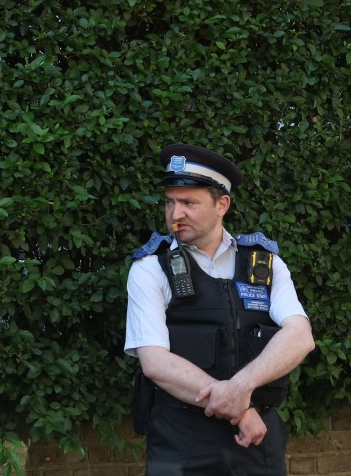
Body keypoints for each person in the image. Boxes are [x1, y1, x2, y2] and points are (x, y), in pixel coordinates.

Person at [125, 143, 314, 476]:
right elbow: (154, 362)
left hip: (258, 444)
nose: (175, 214)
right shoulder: (149, 269)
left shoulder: (265, 264)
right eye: (170, 202)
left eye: (188, 203)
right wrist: (240, 412)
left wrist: (241, 387)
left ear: (222, 204)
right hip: (182, 442)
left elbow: (300, 336)